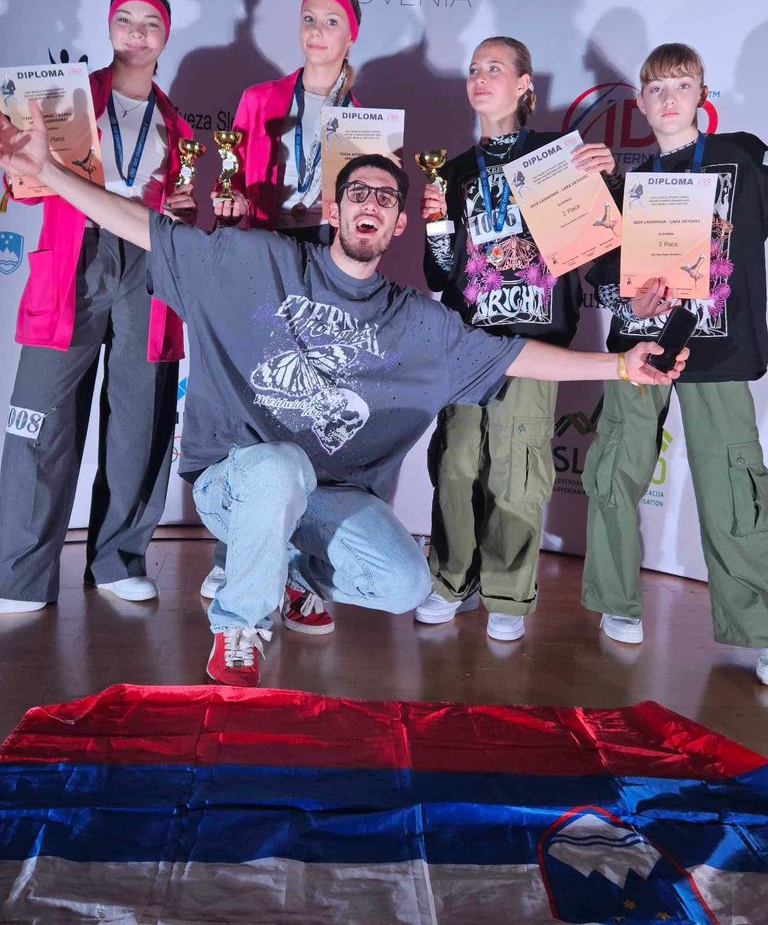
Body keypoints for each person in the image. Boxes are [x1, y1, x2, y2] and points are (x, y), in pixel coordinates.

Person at [0, 110, 688, 684]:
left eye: (386, 200)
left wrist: (621, 367)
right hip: (236, 483)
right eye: (359, 192)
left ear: (398, 227)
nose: (371, 205)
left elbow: (513, 355)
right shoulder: (257, 262)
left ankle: (292, 573)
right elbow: (145, 228)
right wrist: (53, 173)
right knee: (280, 467)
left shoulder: (415, 324)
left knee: (405, 585)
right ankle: (239, 628)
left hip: (328, 500)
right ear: (333, 211)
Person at [0, 0, 195, 615]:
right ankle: (18, 572)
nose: (137, 32)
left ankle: (119, 560)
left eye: (151, 23)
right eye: (125, 20)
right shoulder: (67, 97)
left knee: (140, 416)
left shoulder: (177, 124)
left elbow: (178, 208)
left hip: (148, 263)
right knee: (39, 417)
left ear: (165, 37)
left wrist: (185, 209)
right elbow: (25, 184)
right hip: (74, 260)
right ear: (109, 28)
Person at [416, 37, 620, 640]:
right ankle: (451, 580)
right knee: (455, 464)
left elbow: (599, 244)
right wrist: (437, 228)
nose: (480, 78)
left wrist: (607, 181)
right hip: (467, 343)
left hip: (534, 342)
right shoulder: (453, 171)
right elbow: (438, 276)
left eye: (495, 68)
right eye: (473, 69)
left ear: (525, 83)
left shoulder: (559, 157)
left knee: (519, 468)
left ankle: (506, 590)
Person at [582, 42, 768, 685]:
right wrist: (626, 297)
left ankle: (761, 627)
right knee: (616, 469)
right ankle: (616, 601)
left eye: (682, 85)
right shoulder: (625, 182)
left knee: (733, 484)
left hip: (719, 349)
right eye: (656, 87)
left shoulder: (742, 158)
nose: (668, 98)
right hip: (640, 346)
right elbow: (598, 275)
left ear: (702, 96)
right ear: (639, 102)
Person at [204, 0, 363, 632]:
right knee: (255, 409)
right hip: (264, 263)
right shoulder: (259, 98)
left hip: (327, 270)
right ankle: (236, 555)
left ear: (351, 36)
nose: (316, 31)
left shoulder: (366, 118)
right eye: (308, 19)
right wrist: (234, 205)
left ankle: (300, 575)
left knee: (314, 417)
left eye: (331, 22)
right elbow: (233, 184)